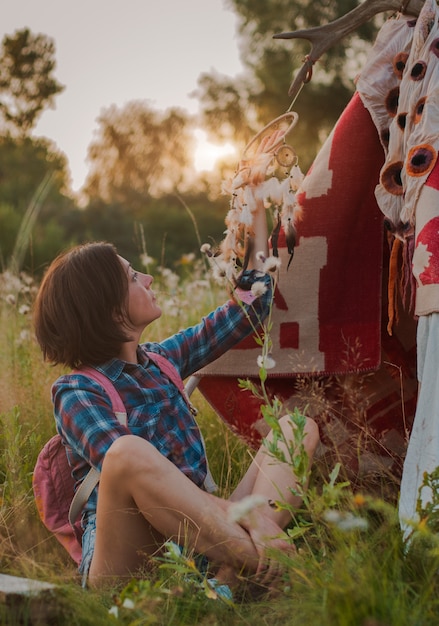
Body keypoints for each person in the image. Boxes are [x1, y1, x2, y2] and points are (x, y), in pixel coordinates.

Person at [33, 186, 319, 592]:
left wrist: (255, 211)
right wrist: (251, 518)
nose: (147, 277)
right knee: (127, 453)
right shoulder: (76, 391)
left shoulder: (164, 359)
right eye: (133, 276)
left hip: (202, 536)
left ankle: (229, 575)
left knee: (296, 427)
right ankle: (266, 563)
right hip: (130, 560)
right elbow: (127, 471)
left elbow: (249, 306)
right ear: (108, 309)